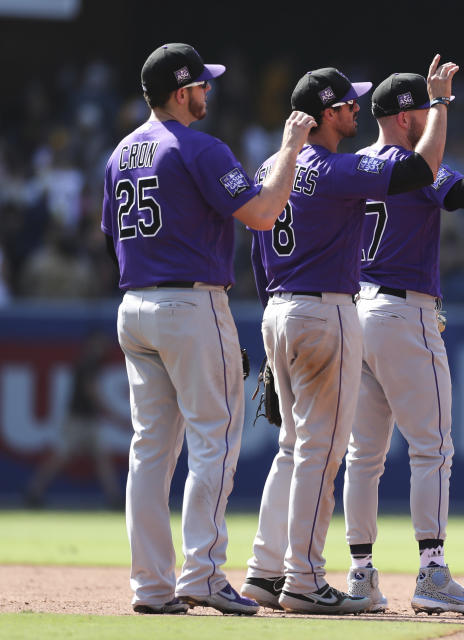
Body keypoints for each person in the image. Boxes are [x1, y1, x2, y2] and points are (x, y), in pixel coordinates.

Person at [101, 42, 315, 615]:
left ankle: (150, 587)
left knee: (149, 452)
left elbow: (109, 240)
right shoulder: (200, 147)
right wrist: (292, 149)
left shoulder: (121, 152)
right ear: (180, 92)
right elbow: (264, 215)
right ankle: (202, 574)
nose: (208, 91)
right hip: (191, 305)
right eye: (201, 84)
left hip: (135, 303)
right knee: (214, 440)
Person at [239, 56, 458, 615]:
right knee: (323, 451)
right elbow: (418, 172)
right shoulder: (331, 168)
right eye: (348, 104)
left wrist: (276, 321)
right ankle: (305, 578)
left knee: (292, 450)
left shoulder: (274, 165)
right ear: (325, 113)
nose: (357, 109)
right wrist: (439, 105)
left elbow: (256, 246)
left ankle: (263, 572)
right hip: (324, 309)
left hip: (279, 308)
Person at [340, 66, 464, 615]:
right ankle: (432, 572)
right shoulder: (416, 170)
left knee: (362, 456)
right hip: (402, 311)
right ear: (409, 115)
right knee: (432, 448)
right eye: (432, 108)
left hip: (353, 308)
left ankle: (361, 575)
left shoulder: (355, 165)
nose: (437, 116)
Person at [23, 331, 125, 509]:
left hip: (90, 421)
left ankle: (114, 497)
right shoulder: (87, 363)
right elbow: (92, 393)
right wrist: (116, 417)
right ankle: (33, 491)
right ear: (92, 343)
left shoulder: (92, 363)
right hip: (77, 421)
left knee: (102, 458)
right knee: (60, 458)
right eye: (100, 343)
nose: (104, 348)